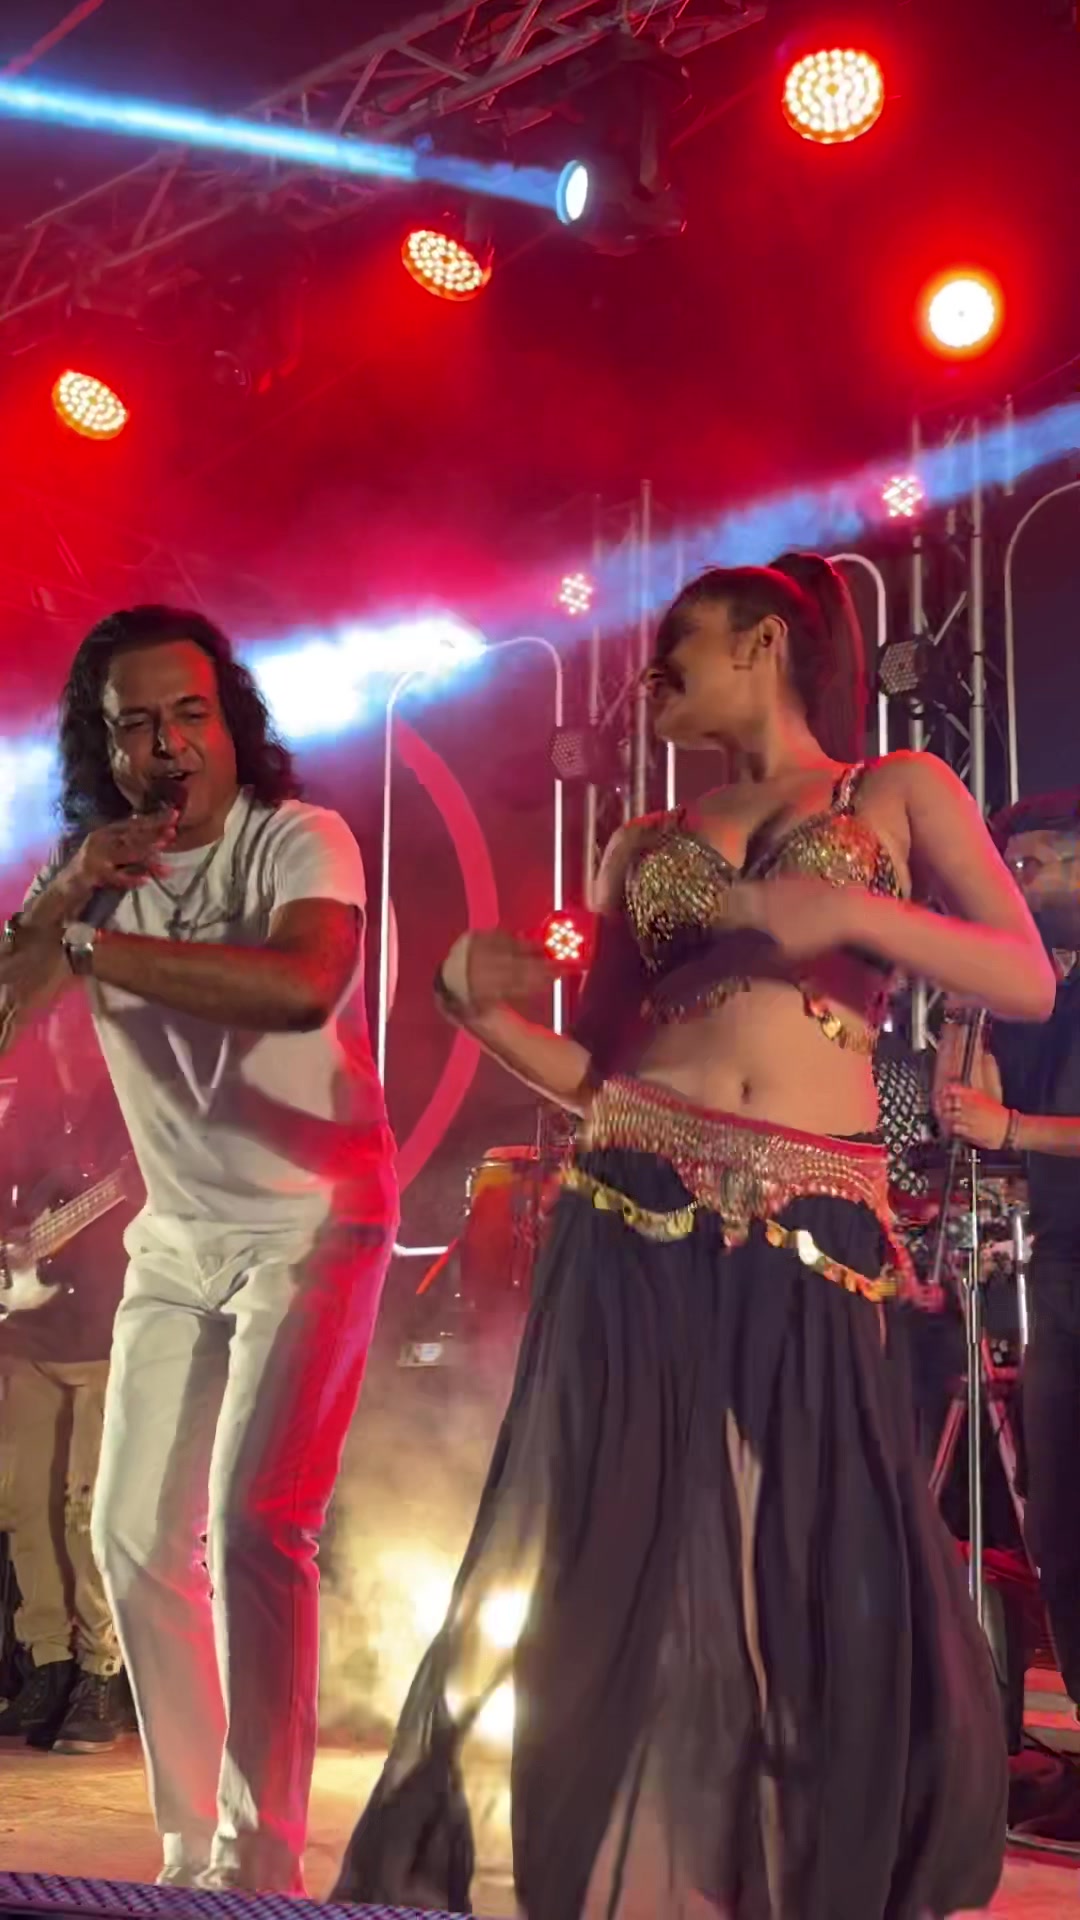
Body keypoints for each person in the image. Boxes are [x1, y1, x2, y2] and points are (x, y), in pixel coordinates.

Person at [335, 553, 1053, 1920]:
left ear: (763, 641)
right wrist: (482, 1017)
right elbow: (599, 1069)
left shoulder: (895, 790)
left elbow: (1022, 976)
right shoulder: (642, 840)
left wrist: (852, 909)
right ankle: (609, 1868)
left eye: (676, 646)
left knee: (822, 1541)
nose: (648, 675)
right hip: (630, 1193)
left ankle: (811, 1863)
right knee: (614, 1539)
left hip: (818, 1214)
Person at [0, 606, 397, 1892]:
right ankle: (189, 1854)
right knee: (128, 1535)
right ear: (105, 747)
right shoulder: (95, 880)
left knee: (253, 1524)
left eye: (190, 715)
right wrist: (71, 886)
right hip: (178, 1237)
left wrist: (89, 941)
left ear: (230, 726)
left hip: (315, 1219)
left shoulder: (301, 837)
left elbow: (301, 986)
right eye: (137, 726)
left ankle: (259, 1861)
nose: (168, 746)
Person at [936, 791, 1080, 1765]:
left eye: (1029, 869)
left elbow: (1011, 1126)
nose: (1014, 890)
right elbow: (969, 1114)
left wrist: (1018, 1130)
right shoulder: (1044, 1000)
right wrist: (964, 1006)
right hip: (1063, 1272)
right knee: (1061, 1524)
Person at [0, 995, 136, 1753]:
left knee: (87, 1512)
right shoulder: (28, 1108)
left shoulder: (131, 1105)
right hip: (28, 1336)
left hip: (107, 1332)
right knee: (26, 1509)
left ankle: (100, 1671)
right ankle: (47, 1662)